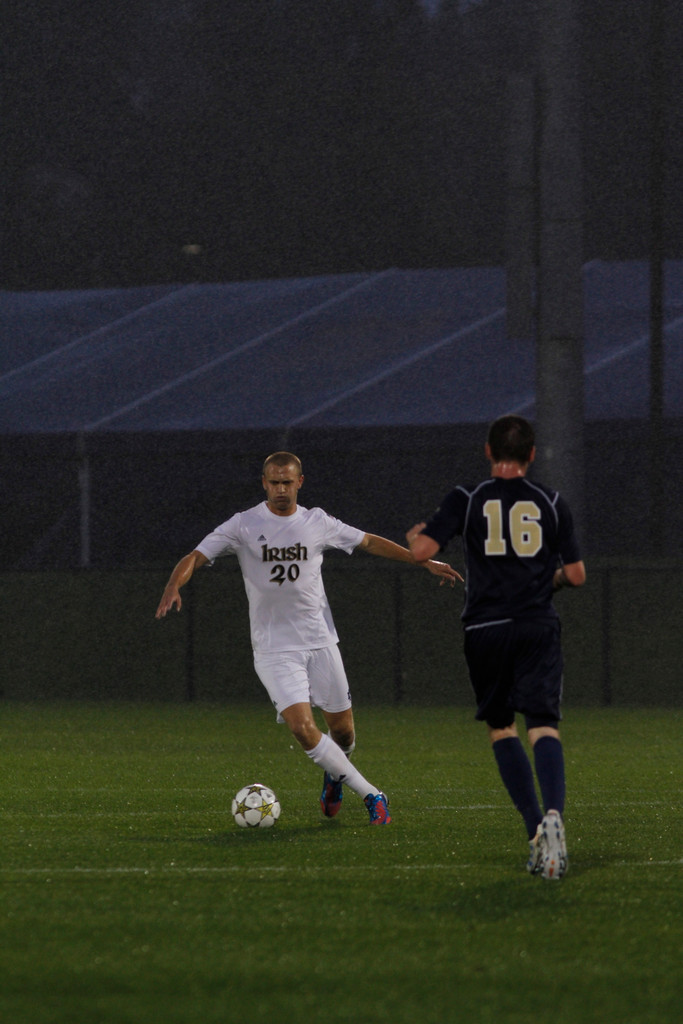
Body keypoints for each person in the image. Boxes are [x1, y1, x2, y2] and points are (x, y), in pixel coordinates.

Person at [156, 451, 461, 826]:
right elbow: (196, 555)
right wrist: (174, 583)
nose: (280, 489)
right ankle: (372, 795)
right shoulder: (244, 525)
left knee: (344, 733)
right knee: (303, 728)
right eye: (273, 482)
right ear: (263, 483)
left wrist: (422, 561)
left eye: (287, 482)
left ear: (300, 482)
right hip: (273, 649)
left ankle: (334, 776)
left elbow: (368, 542)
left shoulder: (317, 522)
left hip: (320, 642)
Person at [406, 415, 585, 878]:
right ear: (531, 454)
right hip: (536, 624)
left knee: (502, 727)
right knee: (543, 725)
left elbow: (423, 550)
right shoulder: (550, 501)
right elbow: (578, 575)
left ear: (488, 452)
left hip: (486, 628)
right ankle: (554, 820)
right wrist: (548, 582)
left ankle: (534, 834)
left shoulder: (467, 498)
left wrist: (413, 536)